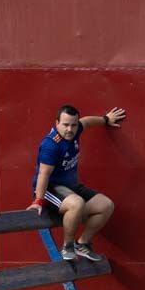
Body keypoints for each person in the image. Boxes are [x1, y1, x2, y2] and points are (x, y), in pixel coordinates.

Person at [28, 104, 123, 262]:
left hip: (71, 187)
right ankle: (67, 246)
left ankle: (82, 243)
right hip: (51, 189)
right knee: (77, 203)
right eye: (65, 125)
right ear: (56, 123)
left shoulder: (76, 129)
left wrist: (105, 120)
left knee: (106, 206)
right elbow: (43, 175)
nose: (70, 130)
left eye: (73, 125)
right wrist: (38, 201)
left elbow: (86, 122)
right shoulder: (51, 145)